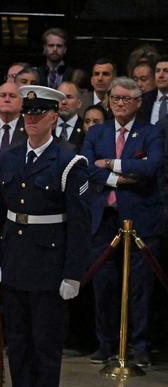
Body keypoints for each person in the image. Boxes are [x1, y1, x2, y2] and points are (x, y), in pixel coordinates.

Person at [0, 86, 90, 387]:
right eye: (27, 112)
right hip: (15, 263)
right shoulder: (10, 158)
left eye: (38, 113)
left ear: (53, 117)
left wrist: (73, 273)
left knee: (45, 349)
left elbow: (79, 224)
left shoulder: (69, 161)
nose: (30, 119)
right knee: (19, 347)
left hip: (49, 266)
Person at [80, 77, 162, 367]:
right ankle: (106, 344)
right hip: (103, 220)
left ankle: (139, 346)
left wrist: (111, 164)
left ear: (139, 102)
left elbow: (151, 167)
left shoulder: (150, 132)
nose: (120, 103)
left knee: (139, 287)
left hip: (139, 220)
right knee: (103, 284)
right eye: (116, 98)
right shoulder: (98, 133)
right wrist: (122, 177)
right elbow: (88, 167)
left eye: (127, 98)